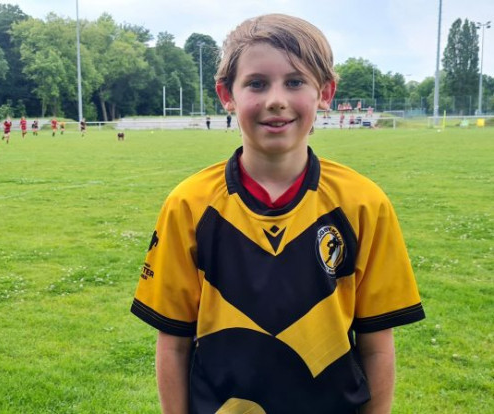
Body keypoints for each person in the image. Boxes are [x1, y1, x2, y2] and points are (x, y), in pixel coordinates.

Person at [130, 14, 425, 414]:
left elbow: (376, 345)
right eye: (256, 83)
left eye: (295, 82)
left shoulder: (364, 204)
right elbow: (173, 343)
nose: (276, 100)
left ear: (325, 92)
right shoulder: (189, 205)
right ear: (226, 95)